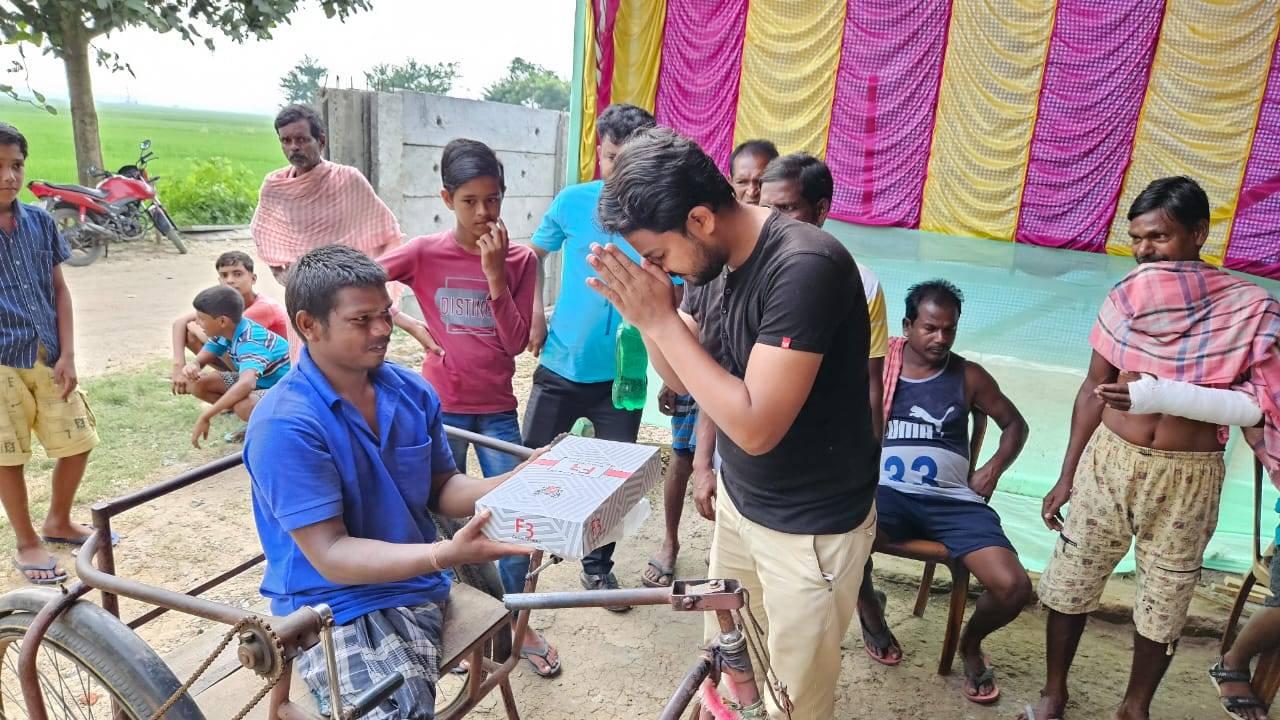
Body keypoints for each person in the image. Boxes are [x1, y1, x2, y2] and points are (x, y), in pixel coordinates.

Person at [591, 127, 880, 720]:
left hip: (810, 531)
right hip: (742, 506)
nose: (658, 269)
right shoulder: (710, 264)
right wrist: (649, 318)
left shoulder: (805, 266)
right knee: (729, 662)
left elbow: (753, 427)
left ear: (699, 219)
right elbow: (683, 379)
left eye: (657, 254)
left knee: (791, 699)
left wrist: (661, 319)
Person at [1022, 176, 1280, 720]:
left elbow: (1263, 405)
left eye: (1158, 237)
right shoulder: (1126, 297)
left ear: (1198, 233)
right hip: (1110, 463)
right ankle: (1053, 693)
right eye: (1137, 238)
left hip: (1189, 477)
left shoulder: (1250, 310)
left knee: (1164, 605)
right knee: (1070, 583)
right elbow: (1092, 390)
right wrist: (1066, 474)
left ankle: (1134, 708)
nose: (1144, 250)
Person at [246, 244, 539, 719]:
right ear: (308, 325)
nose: (383, 329)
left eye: (385, 313)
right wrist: (445, 553)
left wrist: (515, 479)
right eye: (362, 320)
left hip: (416, 585)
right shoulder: (285, 425)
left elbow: (441, 488)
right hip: (329, 604)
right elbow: (332, 556)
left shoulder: (410, 391)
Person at [378, 138, 559, 677]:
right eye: (470, 201)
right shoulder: (422, 253)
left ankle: (519, 625)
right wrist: (406, 320)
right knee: (438, 520)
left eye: (494, 199)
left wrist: (497, 276)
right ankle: (454, 620)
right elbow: (356, 281)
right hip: (441, 410)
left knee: (515, 520)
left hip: (497, 407)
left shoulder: (520, 259)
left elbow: (512, 344)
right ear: (446, 198)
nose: (484, 213)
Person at [856, 280, 1031, 704]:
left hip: (952, 502)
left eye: (949, 330)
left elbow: (1015, 424)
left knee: (1013, 587)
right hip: (889, 493)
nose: (940, 338)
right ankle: (871, 612)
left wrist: (990, 469)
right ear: (907, 326)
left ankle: (970, 645)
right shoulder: (881, 369)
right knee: (840, 536)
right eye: (930, 328)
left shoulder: (967, 375)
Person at [523, 103, 660, 609]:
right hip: (560, 365)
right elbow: (530, 259)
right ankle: (521, 563)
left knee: (614, 479)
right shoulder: (574, 200)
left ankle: (598, 570)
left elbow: (677, 291)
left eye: (631, 159)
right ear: (598, 152)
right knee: (532, 465)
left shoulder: (658, 214)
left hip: (622, 377)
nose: (617, 170)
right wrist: (536, 314)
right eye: (610, 157)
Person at [250, 103, 433, 361]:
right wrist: (295, 280)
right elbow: (266, 237)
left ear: (321, 140)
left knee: (355, 366)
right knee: (307, 366)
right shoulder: (275, 187)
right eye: (286, 140)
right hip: (303, 293)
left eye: (302, 139)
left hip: (348, 295)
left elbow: (383, 232)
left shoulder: (347, 180)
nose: (294, 147)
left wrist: (354, 285)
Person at [0, 122, 101, 585]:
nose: (9, 177)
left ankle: (58, 520)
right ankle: (26, 542)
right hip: (3, 364)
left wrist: (69, 354)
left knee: (79, 441)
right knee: (9, 456)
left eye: (16, 165)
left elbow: (59, 290)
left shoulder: (39, 222)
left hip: (48, 353)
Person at [183, 285, 290, 449]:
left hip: (286, 389)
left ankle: (274, 429)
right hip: (262, 383)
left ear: (222, 321)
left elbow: (247, 384)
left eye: (201, 318)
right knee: (198, 384)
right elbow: (209, 351)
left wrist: (207, 416)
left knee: (244, 406)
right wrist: (194, 364)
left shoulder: (249, 341)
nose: (197, 322)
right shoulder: (227, 331)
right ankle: (255, 419)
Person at [170, 251, 287, 386]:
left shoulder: (264, 307)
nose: (230, 280)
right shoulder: (225, 304)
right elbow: (179, 322)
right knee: (191, 334)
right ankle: (228, 381)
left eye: (237, 274)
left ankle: (237, 386)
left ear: (253, 278)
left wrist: (197, 329)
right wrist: (178, 366)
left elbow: (220, 335)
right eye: (224, 275)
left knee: (211, 336)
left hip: (272, 371)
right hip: (248, 360)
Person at [728, 139, 779, 206]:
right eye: (741, 182)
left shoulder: (791, 215)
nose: (751, 193)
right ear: (730, 183)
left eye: (760, 182)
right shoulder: (718, 215)